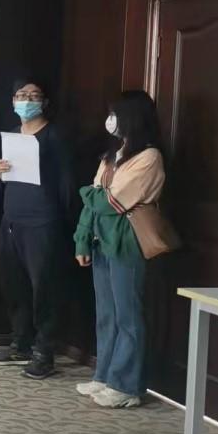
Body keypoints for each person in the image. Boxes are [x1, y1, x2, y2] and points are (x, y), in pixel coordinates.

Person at [74, 91, 166, 409]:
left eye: (115, 113)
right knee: (107, 314)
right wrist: (81, 238)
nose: (110, 120)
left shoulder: (149, 157)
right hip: (100, 240)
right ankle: (104, 375)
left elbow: (109, 201)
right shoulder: (111, 155)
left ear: (133, 117)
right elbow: (93, 203)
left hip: (128, 242)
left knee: (128, 315)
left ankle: (126, 385)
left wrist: (89, 192)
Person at [0, 78, 76, 379]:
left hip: (43, 221)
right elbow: (5, 183)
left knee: (44, 288)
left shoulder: (55, 135)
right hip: (12, 218)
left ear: (45, 102)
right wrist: (0, 173)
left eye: (34, 95)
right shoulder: (12, 134)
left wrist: (62, 220)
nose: (27, 100)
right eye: (21, 95)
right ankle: (20, 342)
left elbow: (66, 183)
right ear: (13, 101)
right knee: (14, 285)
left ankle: (44, 351)